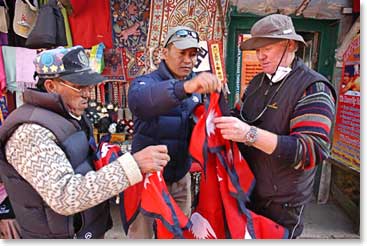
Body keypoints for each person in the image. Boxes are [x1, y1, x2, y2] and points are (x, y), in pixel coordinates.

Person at [0, 45, 170, 239]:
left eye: (89, 86)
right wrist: (133, 165)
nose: (88, 94)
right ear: (50, 86)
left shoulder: (68, 117)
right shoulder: (31, 133)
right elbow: (64, 196)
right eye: (79, 87)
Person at [214, 14, 336, 239]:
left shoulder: (313, 88)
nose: (260, 55)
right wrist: (213, 102)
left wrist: (249, 134)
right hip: (249, 192)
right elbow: (238, 115)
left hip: (282, 206)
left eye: (266, 47)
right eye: (257, 48)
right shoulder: (257, 82)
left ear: (290, 44)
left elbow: (310, 151)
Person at [127, 25, 222, 238]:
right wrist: (184, 88)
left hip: (180, 179)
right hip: (148, 180)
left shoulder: (199, 84)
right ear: (164, 52)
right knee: (142, 236)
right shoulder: (145, 83)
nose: (188, 60)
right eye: (181, 53)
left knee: (179, 235)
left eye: (193, 54)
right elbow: (140, 102)